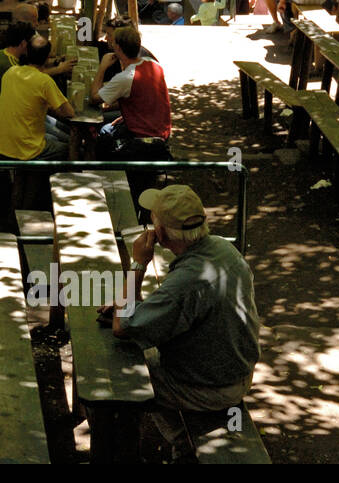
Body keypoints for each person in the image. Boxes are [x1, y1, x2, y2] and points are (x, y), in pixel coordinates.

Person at [102, 185, 260, 454]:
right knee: (143, 344)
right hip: (238, 372)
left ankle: (176, 443)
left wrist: (138, 263)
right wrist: (132, 307)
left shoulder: (185, 283)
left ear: (161, 233)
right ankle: (180, 435)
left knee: (117, 378)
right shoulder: (223, 248)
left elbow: (122, 326)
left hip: (211, 389)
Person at [92, 25, 171, 162]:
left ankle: (101, 168)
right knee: (108, 124)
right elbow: (141, 99)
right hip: (161, 129)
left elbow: (94, 98)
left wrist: (102, 67)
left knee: (101, 133)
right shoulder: (153, 64)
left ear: (118, 48)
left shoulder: (127, 77)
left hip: (142, 136)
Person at [0, 34, 74, 162]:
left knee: (54, 136)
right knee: (71, 148)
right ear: (47, 58)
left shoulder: (11, 72)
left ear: (27, 52)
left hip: (3, 143)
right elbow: (69, 113)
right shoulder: (44, 81)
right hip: (28, 149)